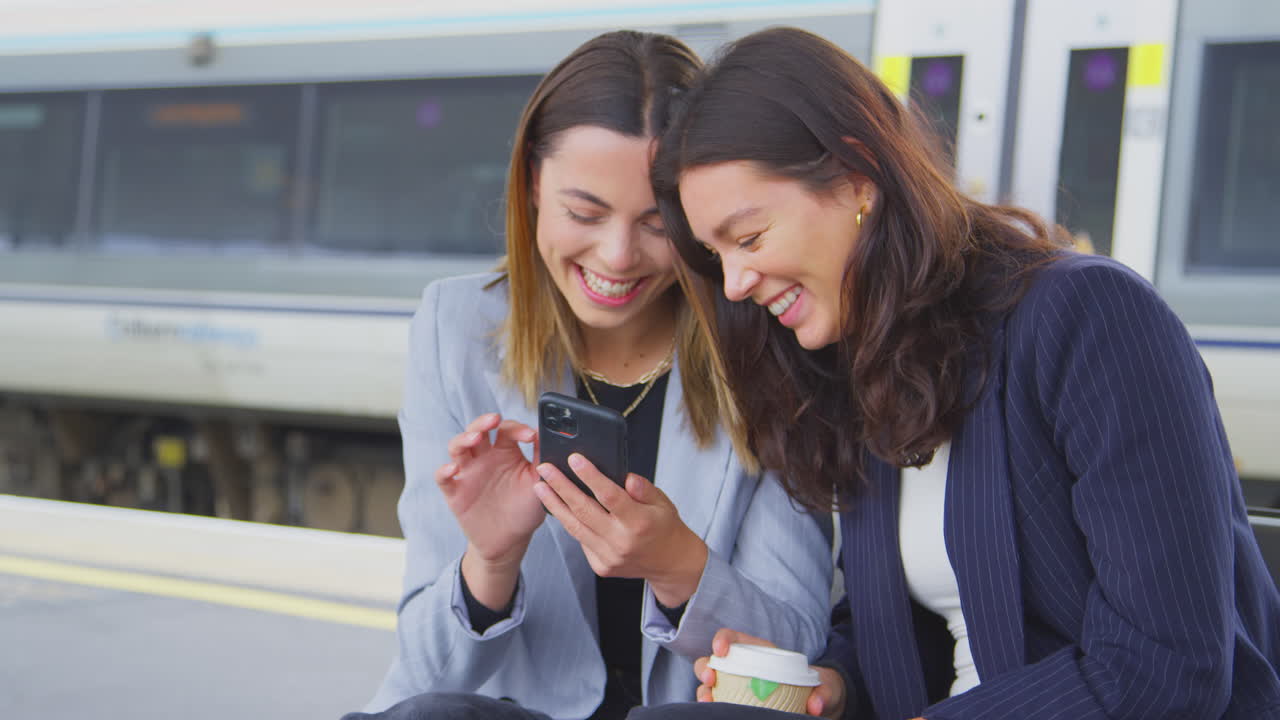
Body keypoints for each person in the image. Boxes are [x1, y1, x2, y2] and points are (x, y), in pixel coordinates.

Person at [637, 26, 1280, 720]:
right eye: (715, 254)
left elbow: (1167, 664)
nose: (733, 284)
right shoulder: (865, 358)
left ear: (857, 177)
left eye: (750, 238)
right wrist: (834, 683)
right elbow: (922, 612)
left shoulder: (1086, 319)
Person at [346, 30, 833, 720]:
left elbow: (794, 655)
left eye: (658, 223)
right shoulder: (453, 328)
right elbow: (427, 674)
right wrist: (489, 560)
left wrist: (677, 566)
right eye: (585, 213)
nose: (617, 256)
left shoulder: (765, 343)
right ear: (533, 186)